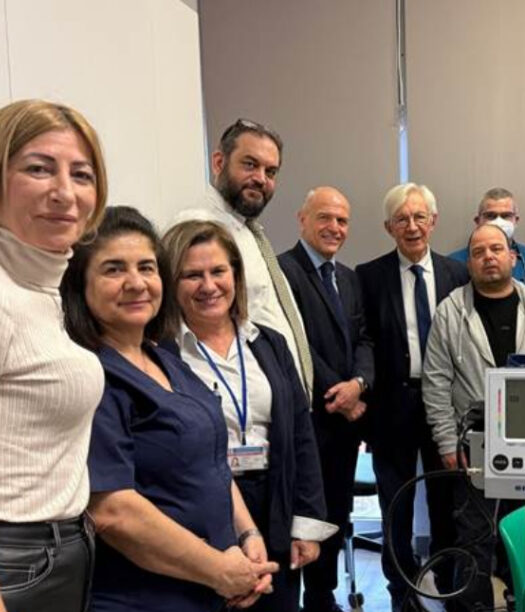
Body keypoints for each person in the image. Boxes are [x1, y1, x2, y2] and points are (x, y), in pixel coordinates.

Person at [60, 207, 278, 611]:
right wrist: (220, 570)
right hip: (143, 598)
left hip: (207, 588)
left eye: (146, 267)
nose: (136, 283)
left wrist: (247, 534)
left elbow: (211, 461)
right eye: (113, 269)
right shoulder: (93, 375)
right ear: (80, 285)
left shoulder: (164, 357)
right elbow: (113, 512)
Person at [0, 100, 108, 612]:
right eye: (39, 169)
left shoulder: (41, 294)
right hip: (8, 567)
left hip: (57, 557)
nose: (65, 192)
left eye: (81, 174)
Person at [163, 219, 334, 611]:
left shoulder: (268, 343)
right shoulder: (163, 354)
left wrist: (307, 523)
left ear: (236, 276)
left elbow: (301, 435)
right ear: (172, 282)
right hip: (205, 511)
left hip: (275, 499)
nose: (209, 286)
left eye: (218, 271)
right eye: (192, 275)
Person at [424, 223, 525, 611]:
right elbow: (436, 382)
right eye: (478, 252)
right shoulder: (450, 310)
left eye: (496, 249)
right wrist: (447, 443)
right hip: (474, 446)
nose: (488, 257)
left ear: (513, 256)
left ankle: (524, 603)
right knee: (474, 539)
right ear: (469, 263)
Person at [355, 183, 468, 610]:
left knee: (447, 504)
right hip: (391, 408)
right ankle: (400, 595)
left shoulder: (457, 275)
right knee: (396, 508)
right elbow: (363, 340)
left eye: (420, 217)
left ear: (433, 222)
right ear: (389, 227)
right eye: (402, 219)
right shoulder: (368, 276)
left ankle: (448, 587)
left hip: (446, 408)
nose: (412, 226)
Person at [278, 187, 374, 612]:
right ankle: (293, 600)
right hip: (308, 418)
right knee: (303, 516)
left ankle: (322, 597)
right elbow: (294, 343)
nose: (334, 227)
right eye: (325, 217)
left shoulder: (348, 278)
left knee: (335, 512)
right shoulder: (283, 272)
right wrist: (340, 392)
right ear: (302, 219)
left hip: (343, 426)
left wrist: (360, 383)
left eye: (342, 220)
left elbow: (364, 338)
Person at [173, 118, 313, 398]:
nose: (261, 178)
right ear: (218, 162)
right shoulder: (195, 230)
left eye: (270, 171)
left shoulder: (248, 232)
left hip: (280, 396)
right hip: (240, 400)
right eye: (250, 164)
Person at [449, 187, 525, 309]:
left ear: (516, 221)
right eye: (491, 216)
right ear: (478, 221)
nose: (498, 221)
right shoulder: (452, 264)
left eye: (506, 216)